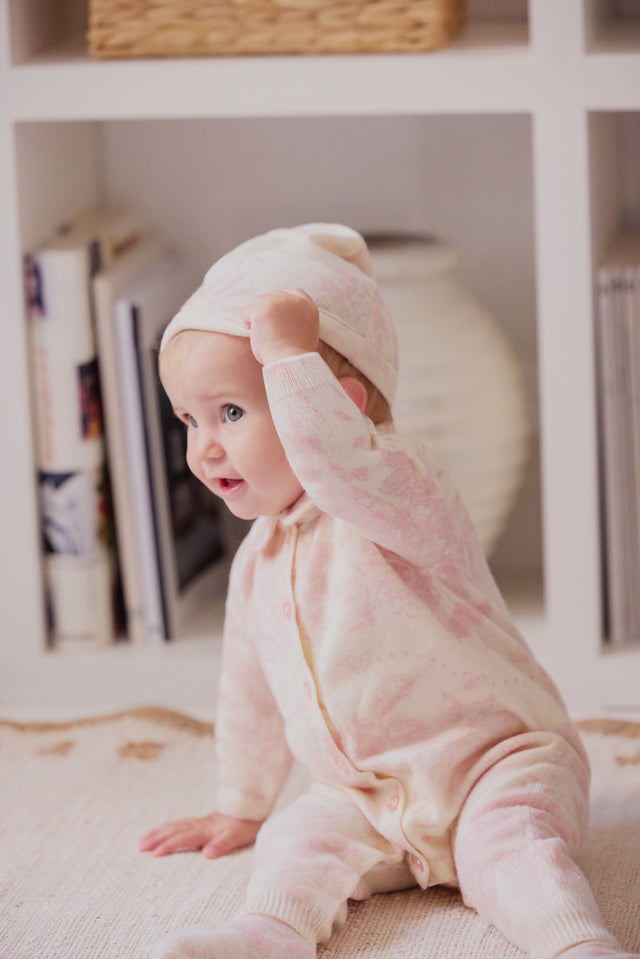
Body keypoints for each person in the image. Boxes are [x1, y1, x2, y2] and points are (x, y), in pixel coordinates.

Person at [140, 224, 637, 959]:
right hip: (367, 794)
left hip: (497, 764)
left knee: (514, 854)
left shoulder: (399, 492)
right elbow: (249, 690)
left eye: (233, 412)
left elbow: (340, 463)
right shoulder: (257, 561)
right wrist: (241, 806)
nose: (203, 447)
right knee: (298, 840)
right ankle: (269, 933)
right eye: (190, 419)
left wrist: (287, 355)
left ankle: (575, 943)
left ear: (337, 403)